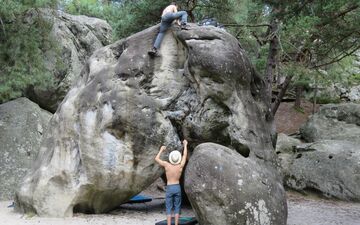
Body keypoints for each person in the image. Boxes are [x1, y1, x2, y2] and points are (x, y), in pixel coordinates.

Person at [155, 140, 188, 225]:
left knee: (169, 208)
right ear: (178, 159)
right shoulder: (180, 166)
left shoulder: (166, 165)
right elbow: (184, 155)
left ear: (171, 158)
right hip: (177, 187)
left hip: (169, 188)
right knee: (177, 207)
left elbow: (156, 159)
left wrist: (161, 150)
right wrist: (185, 145)